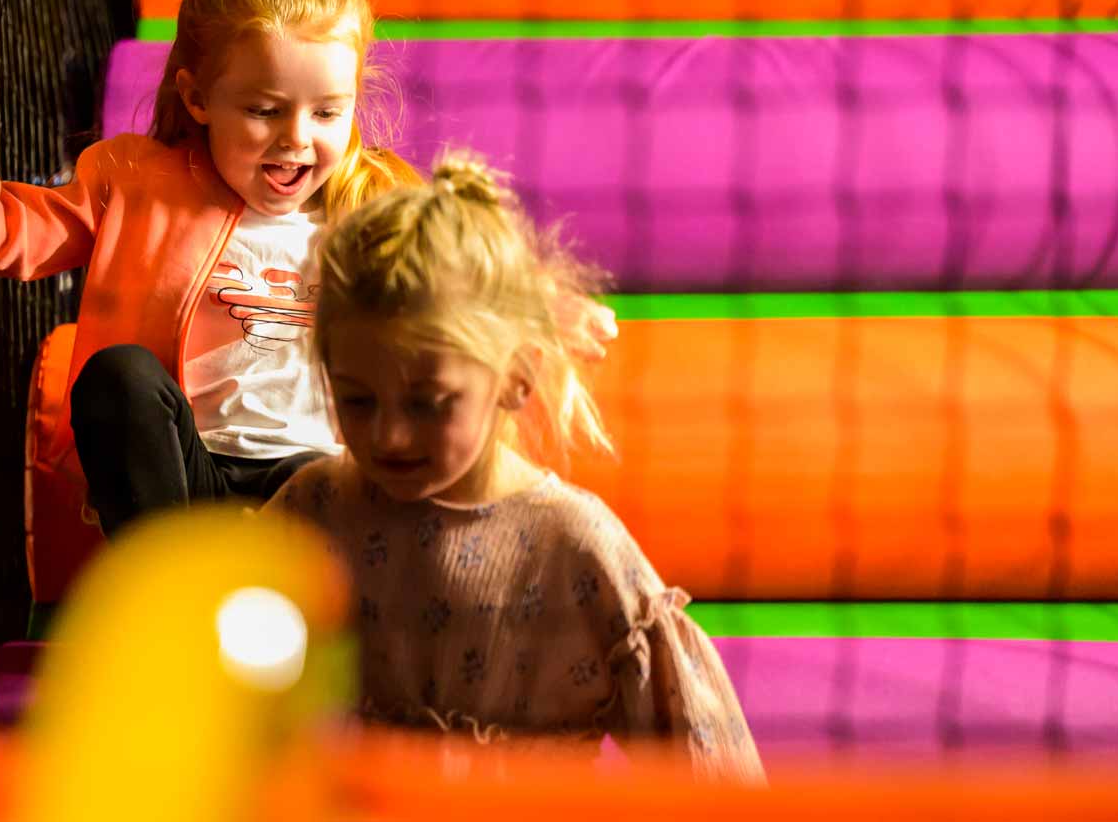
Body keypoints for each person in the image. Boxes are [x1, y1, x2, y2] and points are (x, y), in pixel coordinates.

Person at [0, 0, 424, 536]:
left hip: (314, 480)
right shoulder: (139, 183)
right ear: (198, 98)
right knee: (117, 376)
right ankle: (167, 575)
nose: (296, 139)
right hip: (184, 470)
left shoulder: (375, 206)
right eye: (264, 111)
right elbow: (7, 234)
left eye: (327, 113)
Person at [266, 154, 764, 781]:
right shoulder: (315, 509)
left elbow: (709, 771)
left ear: (515, 377)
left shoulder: (573, 545)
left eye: (429, 403)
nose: (388, 434)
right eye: (357, 399)